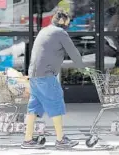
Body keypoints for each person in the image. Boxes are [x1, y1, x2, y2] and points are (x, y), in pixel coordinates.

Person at [21, 7, 85, 149]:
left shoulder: (45, 30)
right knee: (55, 104)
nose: (69, 24)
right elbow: (73, 52)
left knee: (33, 109)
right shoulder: (60, 32)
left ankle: (27, 140)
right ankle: (61, 140)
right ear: (62, 20)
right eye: (68, 21)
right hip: (46, 76)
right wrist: (82, 67)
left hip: (34, 76)